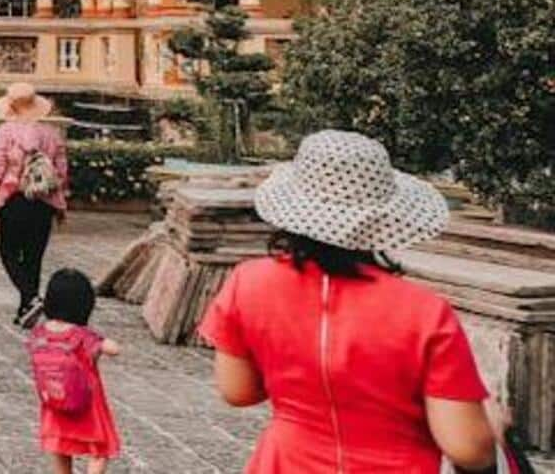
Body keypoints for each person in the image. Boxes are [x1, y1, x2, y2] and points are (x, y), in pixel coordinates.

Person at [198, 130, 503, 472]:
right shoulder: (424, 312)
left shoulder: (247, 283)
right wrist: (490, 420)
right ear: (384, 218)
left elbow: (238, 391)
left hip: (286, 462)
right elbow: (467, 448)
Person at [0, 81, 69, 326]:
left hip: (14, 199)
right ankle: (25, 308)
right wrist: (61, 206)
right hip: (43, 201)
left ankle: (30, 298)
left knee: (7, 251)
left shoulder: (5, 133)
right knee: (33, 256)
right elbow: (61, 173)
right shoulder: (52, 134)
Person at [29, 269, 122, 473]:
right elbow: (113, 349)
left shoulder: (41, 333)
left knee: (60, 447)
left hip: (54, 402)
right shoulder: (82, 336)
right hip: (86, 405)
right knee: (100, 449)